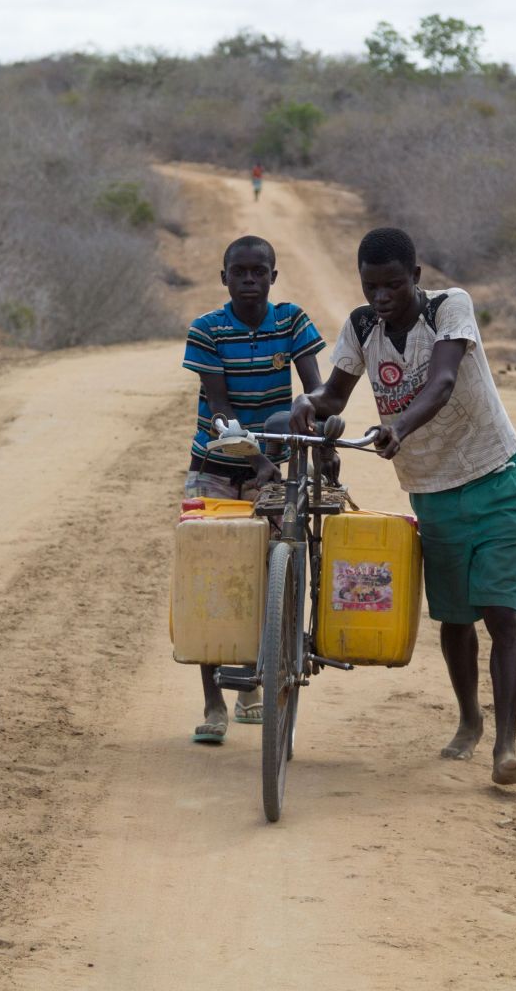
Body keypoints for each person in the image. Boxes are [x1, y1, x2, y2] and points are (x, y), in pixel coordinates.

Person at [290, 228, 516, 784]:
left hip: (496, 479)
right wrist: (308, 405)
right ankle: (470, 720)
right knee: (453, 619)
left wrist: (397, 425)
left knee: (501, 614)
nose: (381, 298)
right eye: (371, 286)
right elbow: (335, 394)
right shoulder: (361, 328)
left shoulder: (450, 309)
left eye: (393, 286)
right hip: (430, 492)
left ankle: (505, 748)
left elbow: (444, 381)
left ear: (417, 278)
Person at [183, 234, 326, 743]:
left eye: (258, 271)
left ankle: (252, 684)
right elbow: (218, 406)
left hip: (272, 471)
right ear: (224, 278)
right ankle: (213, 704)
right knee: (209, 579)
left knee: (267, 574)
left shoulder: (291, 321)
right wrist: (261, 455)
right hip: (216, 465)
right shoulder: (207, 330)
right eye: (239, 272)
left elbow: (314, 392)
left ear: (273, 277)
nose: (249, 279)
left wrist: (319, 428)